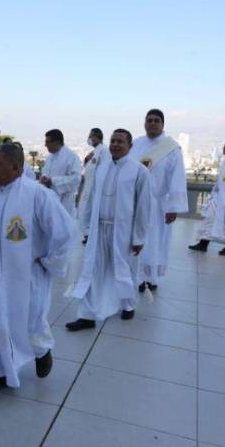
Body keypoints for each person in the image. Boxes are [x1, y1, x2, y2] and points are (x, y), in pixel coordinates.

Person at [0, 143, 73, 397]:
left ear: (16, 168)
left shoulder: (37, 195)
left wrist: (48, 262)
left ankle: (41, 350)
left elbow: (64, 232)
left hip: (27, 276)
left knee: (28, 322)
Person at [65, 129, 151, 330]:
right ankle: (87, 315)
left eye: (120, 141)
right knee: (92, 269)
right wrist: (86, 224)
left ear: (130, 146)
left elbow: (143, 207)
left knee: (125, 269)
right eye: (113, 141)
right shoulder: (102, 167)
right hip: (99, 228)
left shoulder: (139, 171)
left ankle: (127, 304)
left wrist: (139, 237)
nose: (115, 144)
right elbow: (92, 196)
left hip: (123, 231)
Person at [131, 109, 187, 292]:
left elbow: (177, 178)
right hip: (134, 201)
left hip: (158, 204)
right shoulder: (136, 144)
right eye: (149, 120)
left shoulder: (172, 148)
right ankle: (136, 275)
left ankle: (151, 277)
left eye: (156, 121)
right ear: (144, 123)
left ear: (163, 124)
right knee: (134, 237)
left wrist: (173, 207)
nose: (152, 123)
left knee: (154, 240)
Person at [189, 137, 225, 256]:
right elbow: (221, 180)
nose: (224, 148)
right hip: (218, 197)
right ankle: (203, 244)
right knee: (209, 219)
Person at [38, 129, 82, 217]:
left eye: (48, 142)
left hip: (64, 202)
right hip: (48, 201)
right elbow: (45, 173)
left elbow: (76, 179)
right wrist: (43, 178)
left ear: (57, 142)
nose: (45, 145)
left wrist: (53, 181)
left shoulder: (71, 157)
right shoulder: (50, 157)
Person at [77, 128, 110, 213]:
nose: (89, 138)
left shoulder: (104, 151)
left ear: (98, 137)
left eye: (91, 136)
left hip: (95, 190)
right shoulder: (95, 151)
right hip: (88, 187)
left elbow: (105, 171)